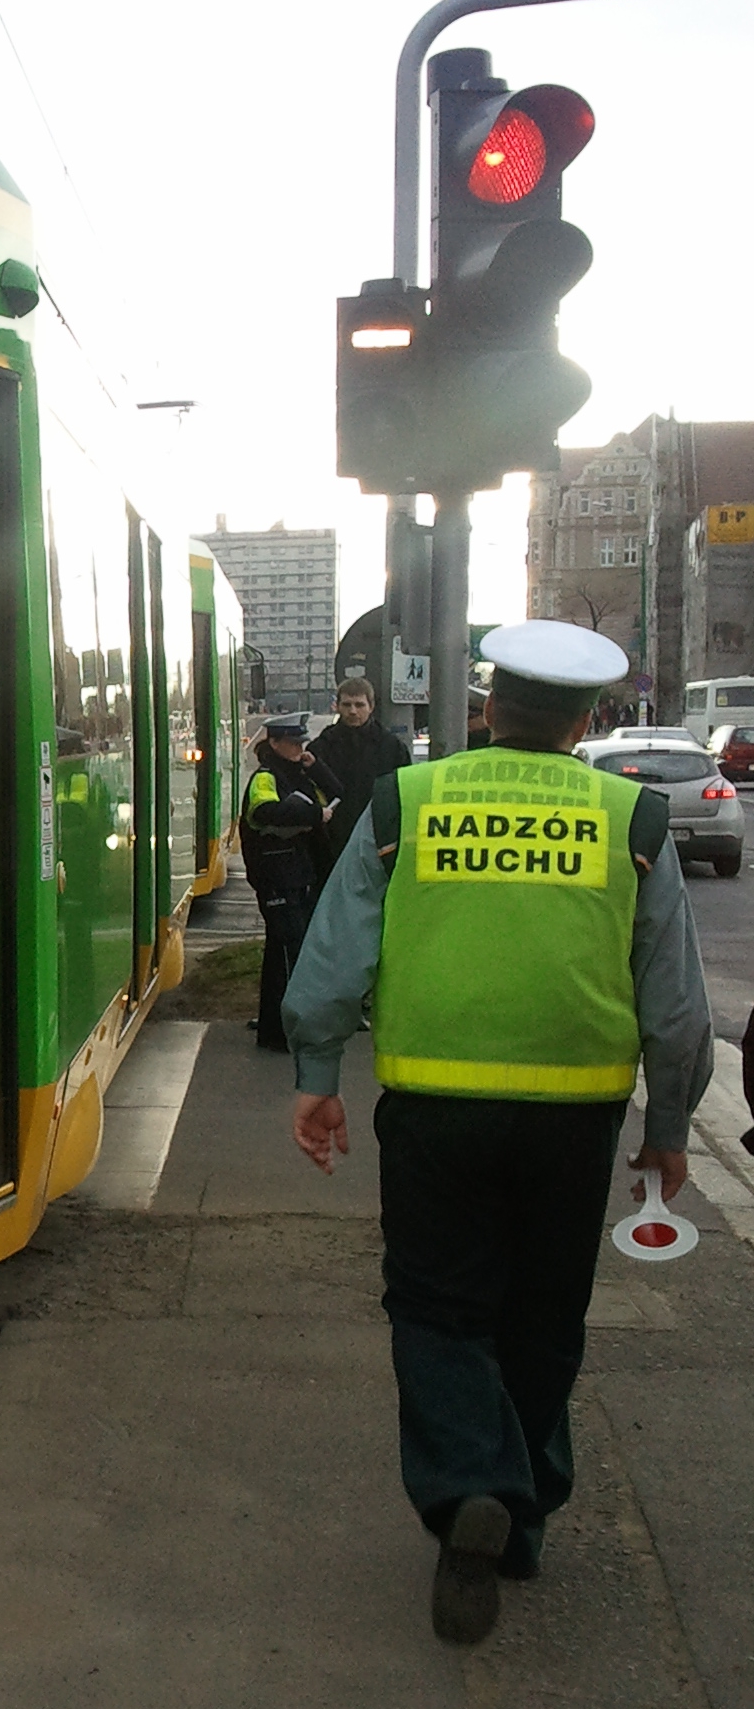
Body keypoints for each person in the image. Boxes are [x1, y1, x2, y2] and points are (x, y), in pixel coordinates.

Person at [281, 621, 713, 1645]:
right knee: (544, 1313)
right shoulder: (633, 819)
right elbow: (677, 1005)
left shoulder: (408, 803)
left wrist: (316, 1075)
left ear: (487, 708)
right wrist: (669, 1126)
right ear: (584, 720)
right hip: (575, 1120)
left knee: (438, 1310)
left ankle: (472, 1485)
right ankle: (521, 1518)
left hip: (435, 1111)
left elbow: (333, 957)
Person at [240, 714, 334, 1054]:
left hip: (298, 873)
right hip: (277, 875)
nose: (299, 749)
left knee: (286, 951)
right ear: (275, 743)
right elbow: (264, 812)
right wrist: (313, 816)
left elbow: (337, 793)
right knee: (287, 953)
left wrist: (315, 766)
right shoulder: (266, 777)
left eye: (301, 743)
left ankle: (277, 1029)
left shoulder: (297, 774)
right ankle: (282, 1031)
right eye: (293, 744)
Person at [308, 677, 410, 866]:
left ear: (371, 707)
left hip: (377, 837)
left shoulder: (392, 748)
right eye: (347, 705)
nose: (353, 711)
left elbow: (404, 793)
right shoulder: (321, 747)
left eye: (359, 705)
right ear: (337, 706)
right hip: (331, 841)